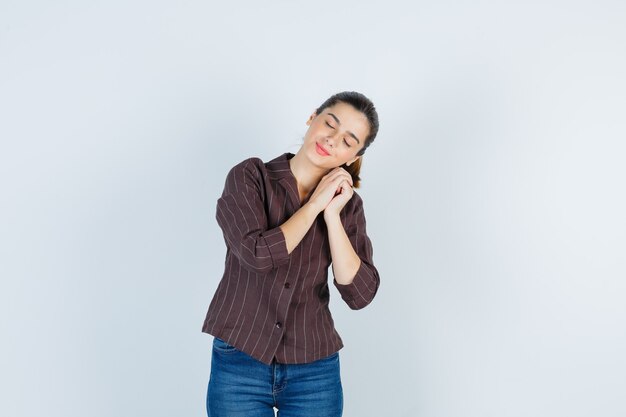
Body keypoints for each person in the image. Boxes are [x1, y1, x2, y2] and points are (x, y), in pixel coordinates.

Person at [202, 91, 381, 417]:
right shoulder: (250, 177)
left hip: (314, 369)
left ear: (354, 156)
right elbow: (256, 254)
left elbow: (359, 292)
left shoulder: (348, 207)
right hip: (240, 358)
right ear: (313, 117)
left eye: (348, 140)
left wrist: (332, 215)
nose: (332, 140)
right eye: (330, 123)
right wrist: (314, 205)